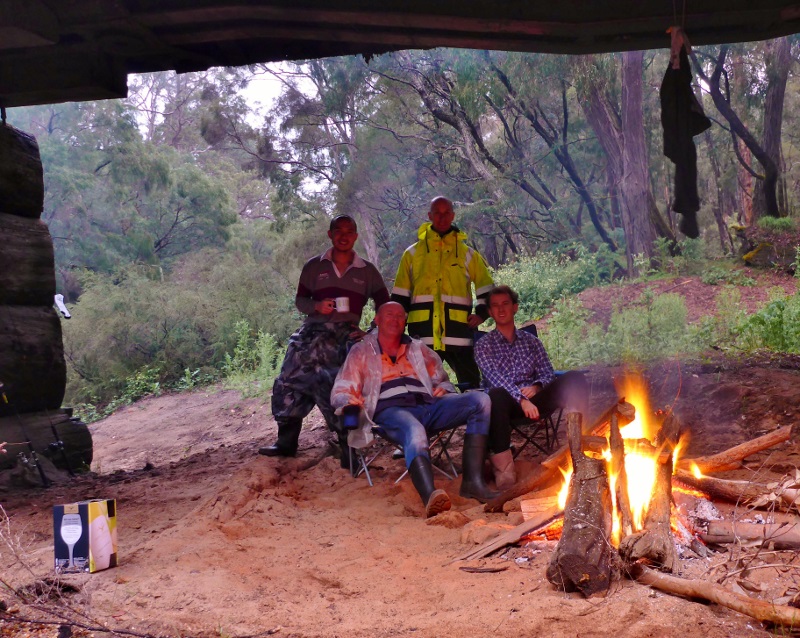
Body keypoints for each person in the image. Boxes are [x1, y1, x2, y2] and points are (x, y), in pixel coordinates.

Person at [330, 302, 498, 517]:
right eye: (389, 314)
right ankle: (430, 496)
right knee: (413, 428)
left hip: (428, 405)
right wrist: (348, 402)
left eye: (400, 316)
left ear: (405, 321)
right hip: (390, 411)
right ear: (377, 320)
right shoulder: (362, 351)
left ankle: (473, 482)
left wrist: (443, 388)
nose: (395, 319)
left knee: (480, 400)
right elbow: (342, 388)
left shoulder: (418, 348)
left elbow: (441, 378)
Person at [260, 215, 390, 462]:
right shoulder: (314, 266)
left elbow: (385, 303)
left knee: (345, 391)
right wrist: (316, 306)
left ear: (355, 237)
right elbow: (300, 301)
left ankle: (350, 448)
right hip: (311, 335)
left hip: (345, 337)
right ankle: (285, 442)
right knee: (288, 382)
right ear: (330, 234)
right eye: (338, 231)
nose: (343, 236)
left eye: (349, 231)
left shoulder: (367, 271)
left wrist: (371, 331)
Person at [474, 285, 588, 490]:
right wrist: (521, 399)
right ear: (490, 312)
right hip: (505, 405)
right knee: (496, 394)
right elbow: (494, 377)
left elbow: (547, 372)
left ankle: (579, 443)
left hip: (535, 400)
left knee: (575, 378)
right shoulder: (483, 345)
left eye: (506, 304)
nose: (501, 310)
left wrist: (536, 387)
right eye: (495, 306)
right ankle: (505, 471)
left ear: (515, 307)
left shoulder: (531, 342)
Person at [391, 196, 494, 389]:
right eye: (437, 213)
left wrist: (481, 314)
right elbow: (399, 296)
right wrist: (395, 329)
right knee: (424, 388)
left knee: (471, 386)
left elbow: (486, 288)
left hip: (459, 333)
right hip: (423, 336)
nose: (442, 217)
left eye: (446, 213)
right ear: (429, 215)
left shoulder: (467, 254)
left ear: (453, 215)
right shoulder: (412, 254)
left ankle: (476, 417)